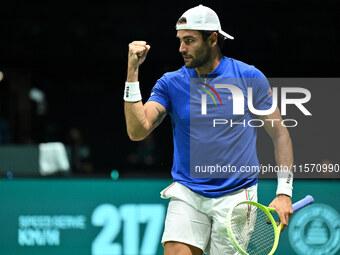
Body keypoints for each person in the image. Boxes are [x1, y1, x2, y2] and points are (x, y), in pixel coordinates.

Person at [124, 4, 293, 255]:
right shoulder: (171, 83)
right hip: (188, 192)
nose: (182, 48)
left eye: (190, 40)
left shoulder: (248, 77)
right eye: (180, 40)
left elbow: (280, 134)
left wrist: (284, 192)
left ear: (213, 39)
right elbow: (137, 131)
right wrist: (132, 71)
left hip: (236, 197)